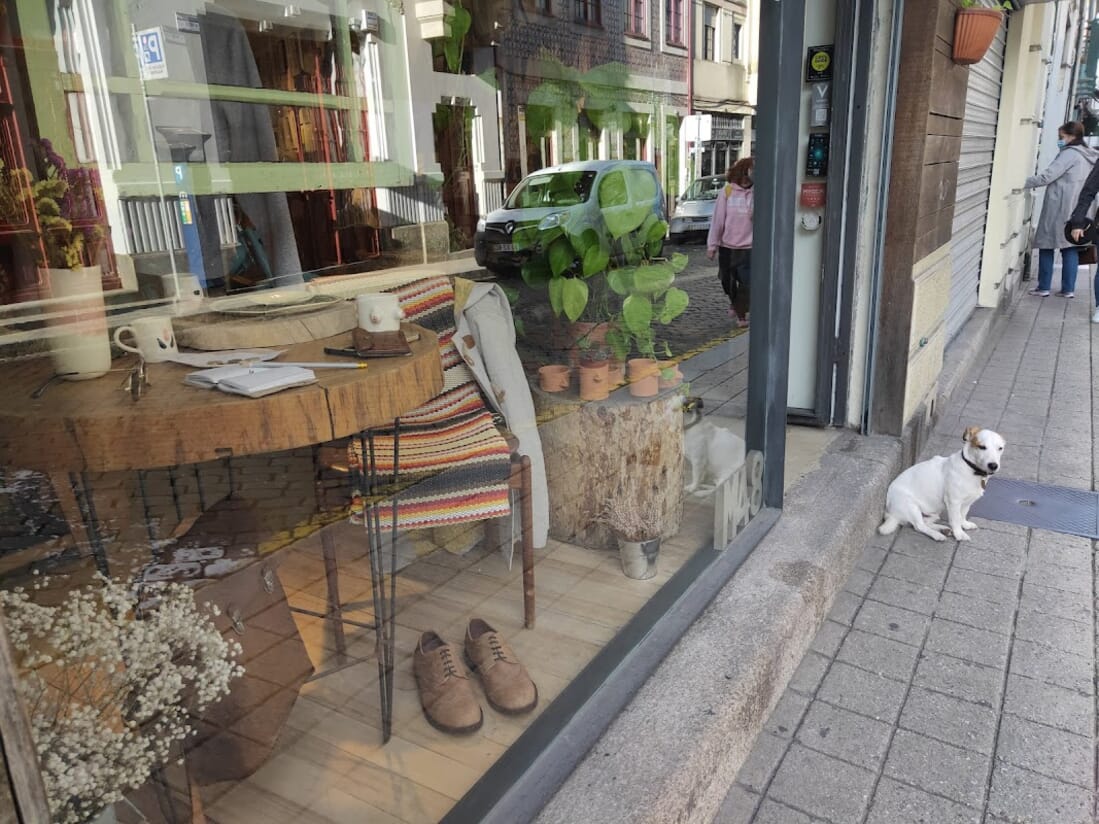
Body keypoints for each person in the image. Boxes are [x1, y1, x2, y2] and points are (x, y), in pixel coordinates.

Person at [1024, 121, 1097, 299]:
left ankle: (1043, 287)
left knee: (1046, 244)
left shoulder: (1070, 154)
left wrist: (1023, 182)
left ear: (1071, 136)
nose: (1060, 140)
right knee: (1070, 247)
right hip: (1078, 208)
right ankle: (1068, 289)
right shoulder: (1090, 155)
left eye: (1061, 136)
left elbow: (1048, 176)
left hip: (1060, 206)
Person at [707, 157, 754, 328]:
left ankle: (741, 315)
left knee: (746, 283)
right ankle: (734, 303)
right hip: (727, 247)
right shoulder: (727, 192)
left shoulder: (757, 192)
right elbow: (718, 220)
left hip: (749, 248)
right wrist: (712, 245)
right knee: (727, 281)